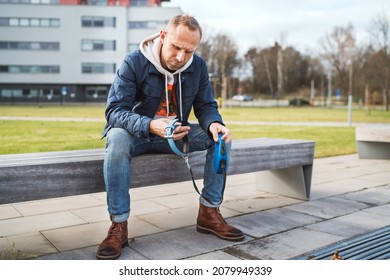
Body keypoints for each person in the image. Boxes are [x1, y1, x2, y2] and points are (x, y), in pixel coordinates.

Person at [96, 14, 244, 260]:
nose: (181, 57)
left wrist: (215, 123)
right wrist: (150, 124)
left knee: (220, 138)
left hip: (176, 135)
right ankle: (118, 226)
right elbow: (114, 112)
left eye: (189, 51)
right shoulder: (134, 62)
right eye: (176, 47)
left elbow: (206, 106)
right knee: (118, 138)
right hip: (138, 134)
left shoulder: (197, 67)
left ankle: (209, 212)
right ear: (163, 37)